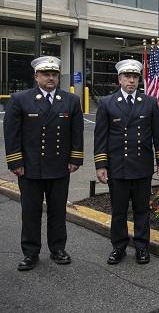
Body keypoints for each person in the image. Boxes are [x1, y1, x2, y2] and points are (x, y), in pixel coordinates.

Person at [3, 56, 84, 271]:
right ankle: (30, 253)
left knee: (58, 211)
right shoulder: (20, 99)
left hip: (59, 167)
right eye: (46, 74)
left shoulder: (71, 100)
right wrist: (15, 162)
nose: (50, 78)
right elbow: (12, 134)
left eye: (54, 74)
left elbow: (77, 133)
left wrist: (75, 159)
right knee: (30, 212)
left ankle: (57, 249)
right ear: (36, 76)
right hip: (30, 168)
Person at [94, 59, 159, 265]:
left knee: (142, 210)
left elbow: (157, 134)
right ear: (119, 79)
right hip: (118, 167)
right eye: (127, 77)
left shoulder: (149, 102)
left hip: (142, 166)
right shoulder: (107, 103)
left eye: (135, 77)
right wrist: (101, 165)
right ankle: (118, 247)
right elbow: (101, 137)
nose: (131, 81)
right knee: (118, 211)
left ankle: (142, 247)